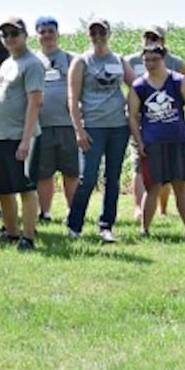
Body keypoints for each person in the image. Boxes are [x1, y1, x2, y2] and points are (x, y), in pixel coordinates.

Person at [66, 16, 133, 243]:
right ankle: (74, 225)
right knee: (88, 178)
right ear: (88, 35)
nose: (98, 37)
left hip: (118, 127)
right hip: (92, 127)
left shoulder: (119, 60)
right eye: (93, 33)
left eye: (101, 32)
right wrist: (78, 130)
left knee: (112, 178)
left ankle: (106, 225)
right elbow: (72, 98)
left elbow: (136, 87)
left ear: (109, 33)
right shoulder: (82, 62)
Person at [131, 45, 185, 237]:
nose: (151, 64)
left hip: (177, 140)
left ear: (164, 59)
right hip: (152, 142)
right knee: (153, 186)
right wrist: (139, 141)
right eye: (147, 60)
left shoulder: (179, 81)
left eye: (155, 60)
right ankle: (144, 229)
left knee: (180, 185)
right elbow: (133, 116)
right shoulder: (139, 86)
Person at [0, 17, 45, 250]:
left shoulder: (31, 63)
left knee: (26, 187)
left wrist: (26, 139)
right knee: (4, 188)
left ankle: (29, 237)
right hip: (2, 136)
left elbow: (35, 103)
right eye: (5, 35)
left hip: (23, 137)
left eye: (14, 33)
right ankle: (12, 232)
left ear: (25, 35)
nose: (10, 38)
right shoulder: (7, 62)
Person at [29, 16, 79, 223]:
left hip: (68, 125)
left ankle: (73, 211)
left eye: (51, 31)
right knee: (44, 173)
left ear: (58, 33)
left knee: (71, 171)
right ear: (37, 35)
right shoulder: (32, 60)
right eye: (43, 31)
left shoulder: (71, 59)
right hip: (41, 126)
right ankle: (45, 212)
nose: (47, 35)